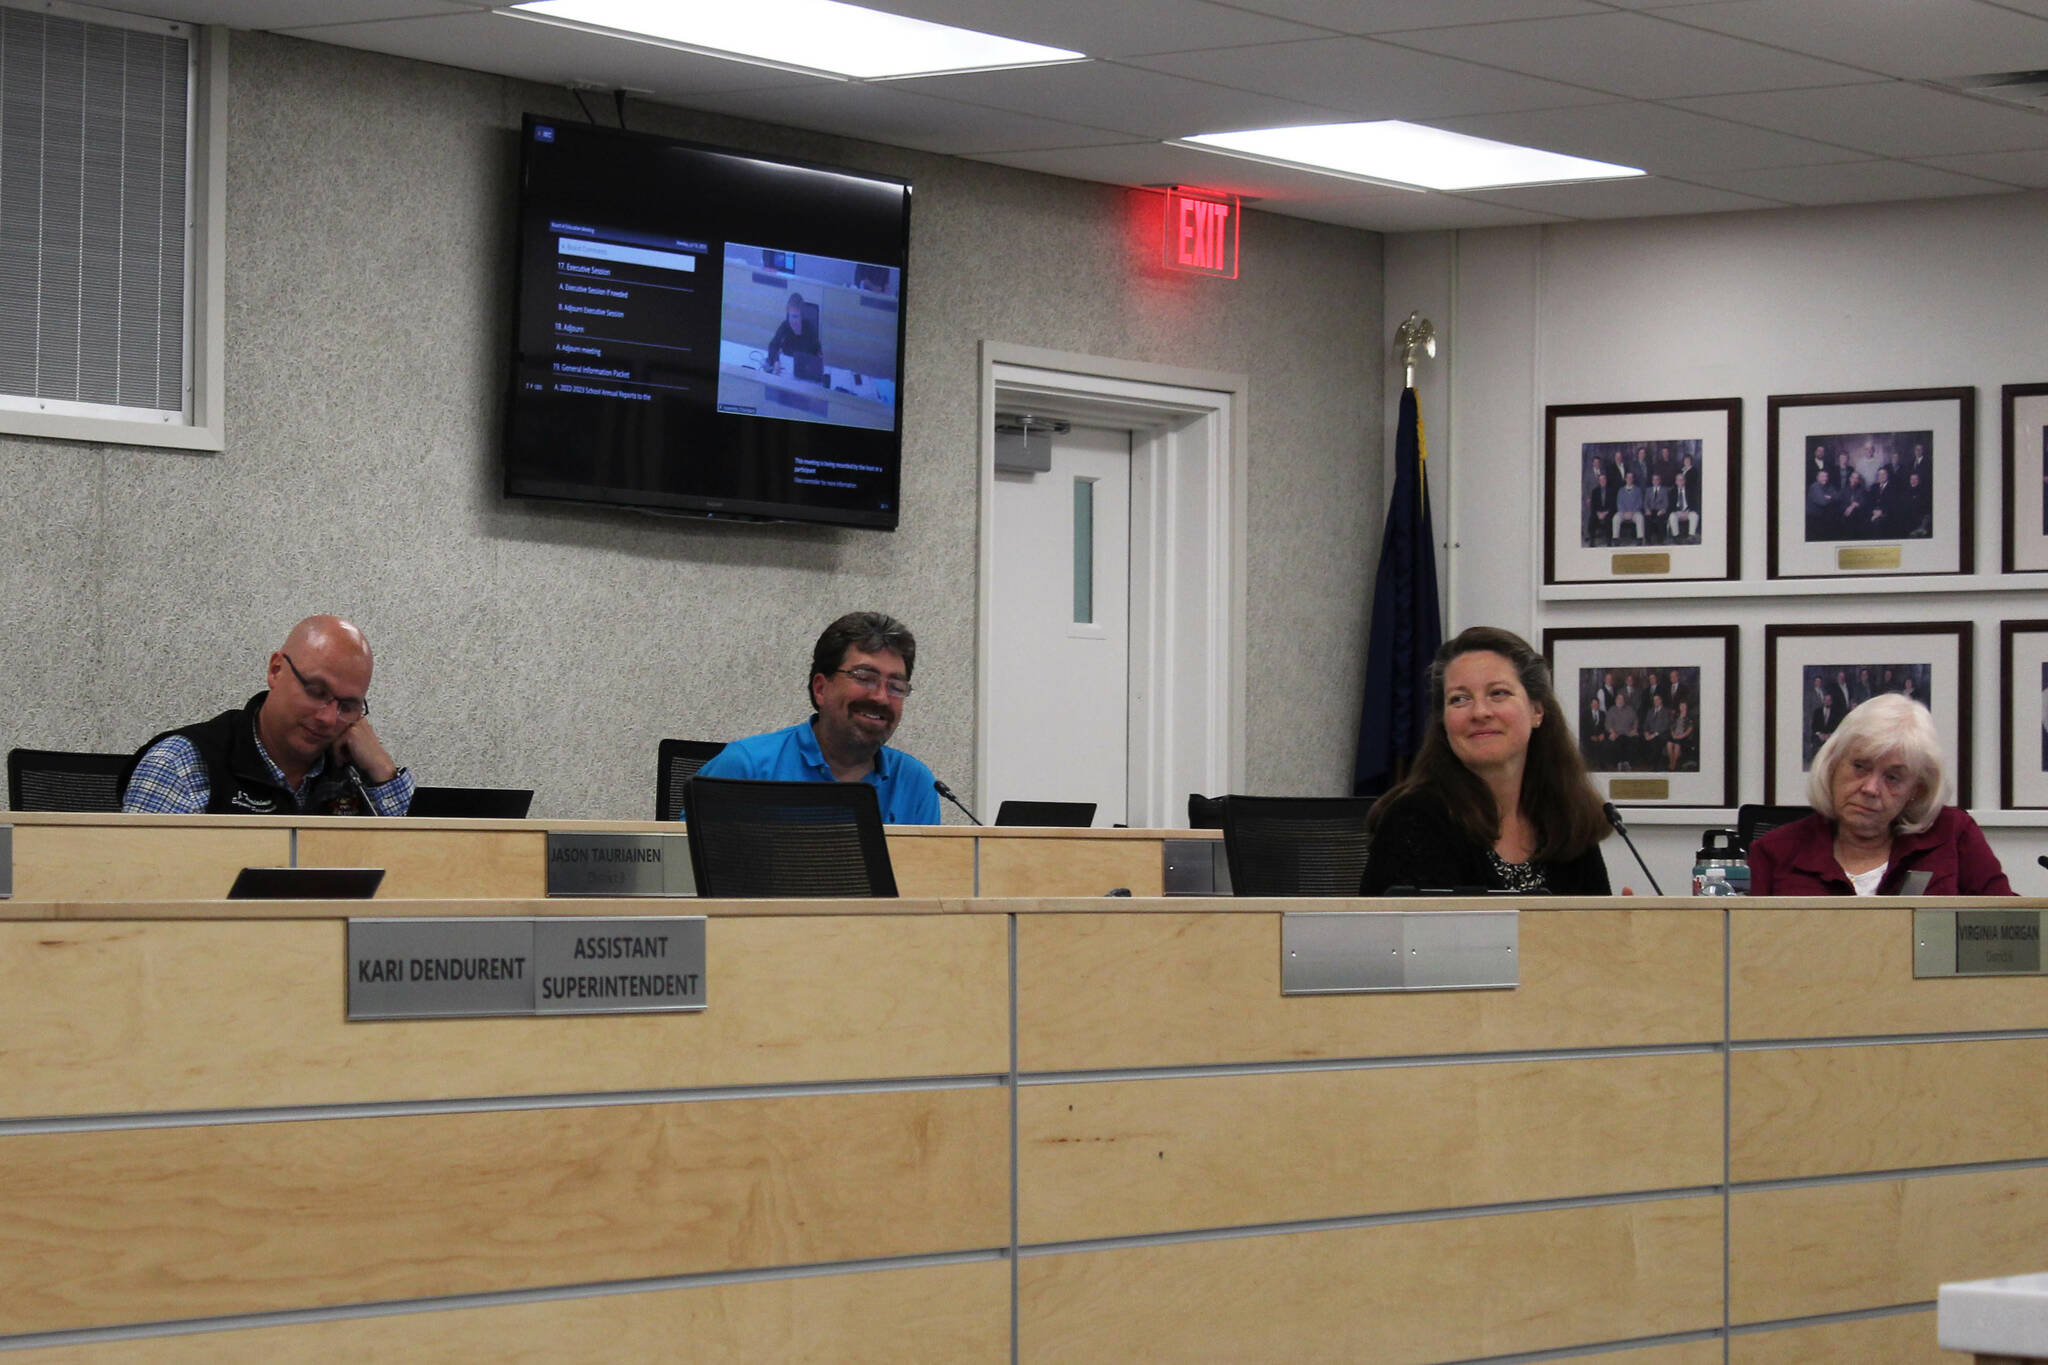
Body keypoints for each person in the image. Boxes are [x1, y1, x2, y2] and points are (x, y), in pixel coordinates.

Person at [1360, 626, 1611, 894]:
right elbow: (1412, 934)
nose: (1479, 712)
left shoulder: (1566, 815)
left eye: (1498, 693)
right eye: (1459, 699)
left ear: (1537, 710)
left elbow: (1596, 928)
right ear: (1443, 721)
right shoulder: (1414, 819)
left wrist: (1624, 924)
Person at [122, 615, 413, 816]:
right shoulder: (181, 765)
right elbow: (137, 893)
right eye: (316, 691)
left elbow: (417, 878)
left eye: (347, 707)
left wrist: (383, 773)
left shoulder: (356, 774)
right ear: (276, 670)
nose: (328, 718)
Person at [688, 611, 940, 824]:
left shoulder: (916, 784)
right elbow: (683, 872)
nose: (882, 698)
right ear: (821, 688)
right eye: (864, 678)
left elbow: (929, 881)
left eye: (896, 686)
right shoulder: (747, 767)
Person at [1749, 694, 2012, 896]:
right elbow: (1745, 952)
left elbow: (2007, 930)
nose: (1871, 789)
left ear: (1916, 789)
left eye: (1893, 777)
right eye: (1860, 767)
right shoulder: (1774, 851)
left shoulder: (1953, 834)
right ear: (1832, 765)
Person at [764, 292, 822, 378]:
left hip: (805, 373)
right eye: (791, 316)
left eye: (796, 317)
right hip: (787, 371)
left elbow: (817, 354)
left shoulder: (809, 329)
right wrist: (776, 361)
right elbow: (773, 346)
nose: (792, 321)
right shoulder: (785, 326)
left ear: (801, 316)